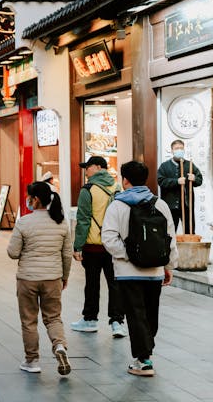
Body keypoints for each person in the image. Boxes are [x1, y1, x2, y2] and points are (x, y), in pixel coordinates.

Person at [102, 161, 178, 377]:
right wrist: (168, 265)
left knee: (135, 314)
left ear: (125, 180)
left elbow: (108, 238)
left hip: (128, 272)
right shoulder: (160, 204)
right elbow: (170, 239)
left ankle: (143, 360)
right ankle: (146, 354)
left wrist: (130, 256)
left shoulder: (117, 205)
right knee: (150, 314)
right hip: (154, 271)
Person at [7, 182, 72, 376]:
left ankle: (32, 360)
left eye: (29, 197)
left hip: (28, 278)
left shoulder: (23, 222)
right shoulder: (61, 223)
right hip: (53, 278)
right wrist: (65, 277)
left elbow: (12, 252)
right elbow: (67, 254)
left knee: (29, 320)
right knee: (53, 318)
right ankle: (59, 345)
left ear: (35, 200)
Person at [71, 155, 127, 336]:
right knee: (115, 284)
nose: (85, 171)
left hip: (93, 246)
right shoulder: (118, 188)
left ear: (97, 167)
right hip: (114, 246)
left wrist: (78, 246)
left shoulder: (88, 190)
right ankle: (117, 322)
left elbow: (83, 220)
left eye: (87, 167)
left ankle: (90, 320)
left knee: (92, 284)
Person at [157, 139, 203, 235]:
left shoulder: (189, 165)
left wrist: (194, 178)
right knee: (169, 234)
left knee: (189, 232)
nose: (179, 150)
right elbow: (160, 181)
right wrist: (176, 181)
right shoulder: (164, 166)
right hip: (170, 206)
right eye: (177, 148)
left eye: (181, 148)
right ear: (172, 150)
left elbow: (199, 180)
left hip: (186, 206)